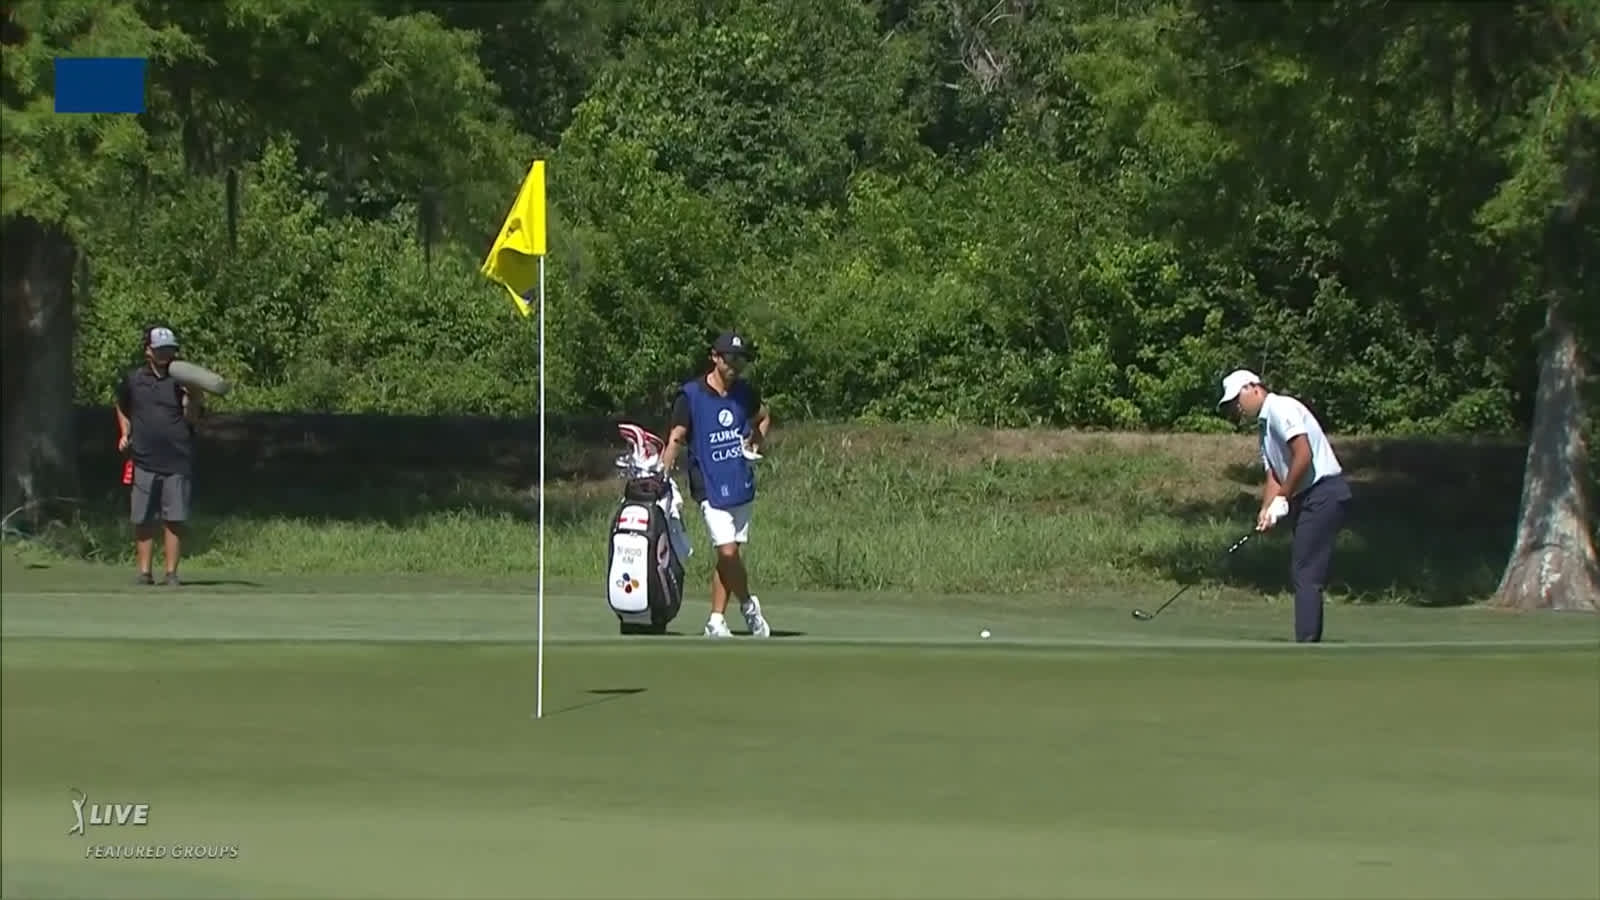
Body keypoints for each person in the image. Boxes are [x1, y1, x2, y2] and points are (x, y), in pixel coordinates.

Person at [1217, 369, 1352, 643]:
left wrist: (1282, 498)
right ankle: (1307, 637)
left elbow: (1303, 455)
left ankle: (1307, 641)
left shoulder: (1281, 408)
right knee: (1304, 568)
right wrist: (1266, 511)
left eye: (1237, 400)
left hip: (1324, 492)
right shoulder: (1265, 427)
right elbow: (1275, 475)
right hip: (1309, 496)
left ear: (1253, 387)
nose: (1237, 409)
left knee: (1304, 569)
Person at [660, 330, 773, 638]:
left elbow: (763, 417)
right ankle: (749, 605)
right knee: (726, 551)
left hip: (740, 481)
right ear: (715, 357)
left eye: (741, 359)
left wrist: (755, 444)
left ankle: (716, 620)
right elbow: (677, 436)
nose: (736, 365)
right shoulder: (691, 394)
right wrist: (662, 472)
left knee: (731, 554)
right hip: (708, 484)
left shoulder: (744, 392)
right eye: (730, 358)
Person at [115, 325, 202, 586]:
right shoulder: (133, 380)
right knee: (142, 518)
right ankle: (144, 573)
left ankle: (172, 573)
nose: (166, 354)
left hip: (177, 458)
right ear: (148, 351)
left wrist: (194, 398)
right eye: (161, 350)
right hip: (143, 458)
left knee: (174, 518)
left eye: (170, 350)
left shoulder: (183, 381)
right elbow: (121, 405)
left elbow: (193, 419)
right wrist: (124, 431)